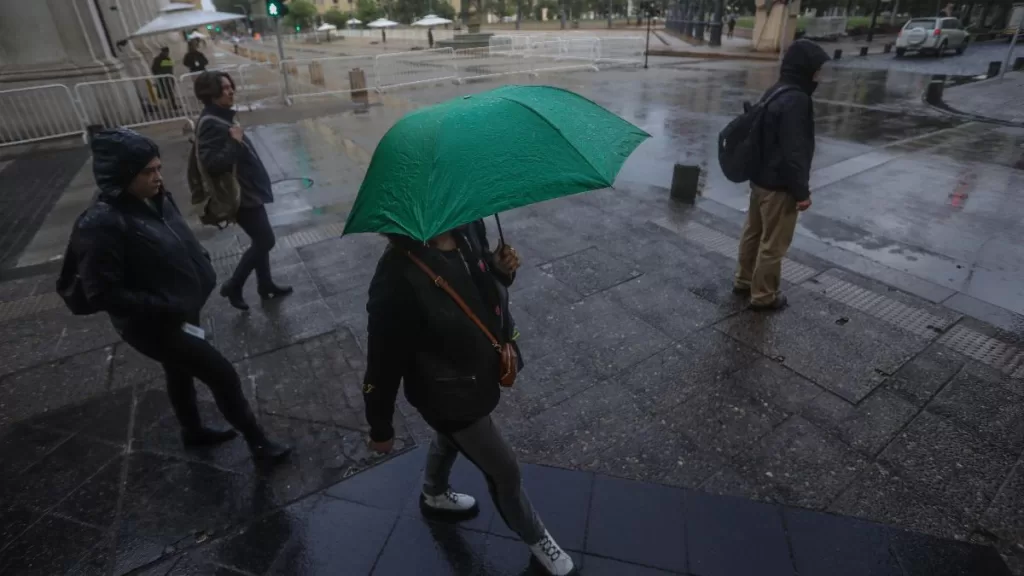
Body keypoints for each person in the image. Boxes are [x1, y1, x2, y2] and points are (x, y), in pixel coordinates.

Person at [363, 223, 575, 576]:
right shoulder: (396, 275)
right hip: (444, 392)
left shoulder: (468, 227)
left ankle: (433, 492)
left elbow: (480, 292)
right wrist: (380, 426)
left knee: (451, 437)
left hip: (479, 370)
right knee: (504, 470)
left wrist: (499, 269)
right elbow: (382, 361)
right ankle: (538, 540)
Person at [70, 128, 292, 465]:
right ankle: (258, 443)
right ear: (121, 174)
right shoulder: (101, 223)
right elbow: (102, 293)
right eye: (148, 171)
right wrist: (164, 306)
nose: (158, 177)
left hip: (179, 307)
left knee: (178, 371)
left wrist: (199, 261)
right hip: (154, 323)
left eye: (158, 168)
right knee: (221, 374)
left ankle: (193, 431)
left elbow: (177, 234)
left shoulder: (155, 196)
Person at [734, 39, 829, 311]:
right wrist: (801, 193)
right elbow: (794, 152)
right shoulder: (797, 100)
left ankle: (743, 280)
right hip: (779, 186)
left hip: (760, 180)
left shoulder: (775, 90)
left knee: (752, 233)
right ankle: (764, 295)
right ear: (804, 68)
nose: (818, 76)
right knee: (773, 244)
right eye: (816, 69)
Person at [193, 71, 292, 311]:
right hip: (240, 195)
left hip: (248, 190)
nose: (230, 91)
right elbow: (213, 164)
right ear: (211, 94)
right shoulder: (211, 123)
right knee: (265, 240)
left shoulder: (221, 117)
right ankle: (234, 285)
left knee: (260, 239)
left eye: (230, 86)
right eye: (224, 88)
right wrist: (234, 141)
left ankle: (265, 284)